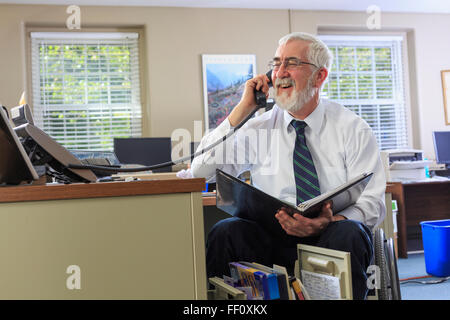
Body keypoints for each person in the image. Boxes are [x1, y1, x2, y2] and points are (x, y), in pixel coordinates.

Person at [191, 32, 386, 300]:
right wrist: (241, 111)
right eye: (276, 63)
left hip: (330, 234)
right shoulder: (257, 128)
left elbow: (373, 202)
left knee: (350, 232)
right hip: (270, 235)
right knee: (226, 231)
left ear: (320, 76)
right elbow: (200, 172)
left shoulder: (353, 128)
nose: (280, 72)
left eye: (292, 63)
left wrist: (327, 221)